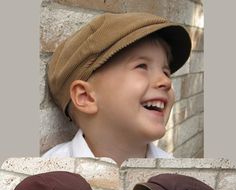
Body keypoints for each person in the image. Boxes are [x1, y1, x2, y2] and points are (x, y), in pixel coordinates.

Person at [42, 12, 192, 165]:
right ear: (85, 97)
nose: (166, 81)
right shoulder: (49, 167)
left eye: (166, 72)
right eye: (142, 66)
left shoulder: (172, 168)